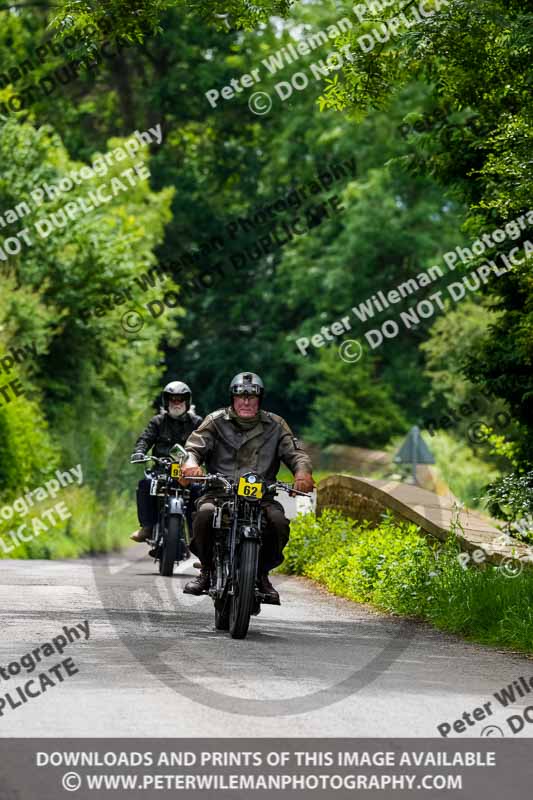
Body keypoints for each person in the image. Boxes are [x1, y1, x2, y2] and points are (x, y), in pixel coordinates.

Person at [181, 372, 314, 601]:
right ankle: (207, 569)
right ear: (233, 398)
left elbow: (295, 454)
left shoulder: (276, 425)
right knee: (204, 515)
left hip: (261, 496)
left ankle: (262, 574)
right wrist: (191, 464)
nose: (246, 401)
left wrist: (302, 473)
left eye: (252, 397)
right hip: (219, 492)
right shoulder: (215, 421)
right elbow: (193, 448)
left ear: (259, 399)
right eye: (241, 396)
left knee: (279, 522)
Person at [130, 381, 203, 542]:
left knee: (198, 490)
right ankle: (147, 527)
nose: (176, 403)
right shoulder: (158, 421)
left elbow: (207, 443)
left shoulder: (197, 423)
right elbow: (145, 439)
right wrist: (139, 452)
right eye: (173, 399)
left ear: (187, 401)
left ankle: (195, 536)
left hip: (187, 472)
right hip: (162, 470)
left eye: (180, 399)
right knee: (145, 484)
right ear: (166, 401)